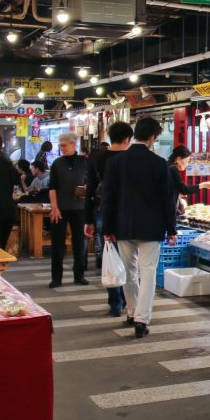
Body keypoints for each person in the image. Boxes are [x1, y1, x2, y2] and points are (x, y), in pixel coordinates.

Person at [101, 117, 177, 338]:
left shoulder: (115, 163)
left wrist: (107, 227)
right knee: (148, 273)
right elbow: (167, 199)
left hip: (122, 226)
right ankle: (142, 319)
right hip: (151, 228)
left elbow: (108, 198)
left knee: (129, 272)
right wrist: (171, 229)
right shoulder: (158, 163)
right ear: (152, 138)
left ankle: (132, 311)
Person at [85, 121, 133, 318]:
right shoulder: (131, 159)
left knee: (110, 256)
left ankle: (115, 302)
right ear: (127, 139)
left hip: (104, 212)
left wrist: (87, 219)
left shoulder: (98, 160)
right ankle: (128, 300)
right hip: (129, 214)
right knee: (130, 259)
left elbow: (90, 190)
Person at [48, 133, 89, 288]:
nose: (61, 148)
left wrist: (86, 188)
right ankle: (56, 277)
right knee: (57, 243)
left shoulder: (84, 162)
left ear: (73, 145)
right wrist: (55, 207)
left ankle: (79, 275)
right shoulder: (57, 163)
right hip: (61, 208)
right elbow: (52, 187)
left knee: (79, 242)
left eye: (64, 145)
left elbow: (91, 182)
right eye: (60, 145)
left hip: (80, 208)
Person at [167, 146, 210, 217]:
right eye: (186, 161)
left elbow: (174, 187)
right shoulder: (173, 168)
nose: (187, 165)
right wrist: (203, 185)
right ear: (178, 159)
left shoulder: (168, 165)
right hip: (168, 209)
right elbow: (184, 189)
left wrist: (179, 191)